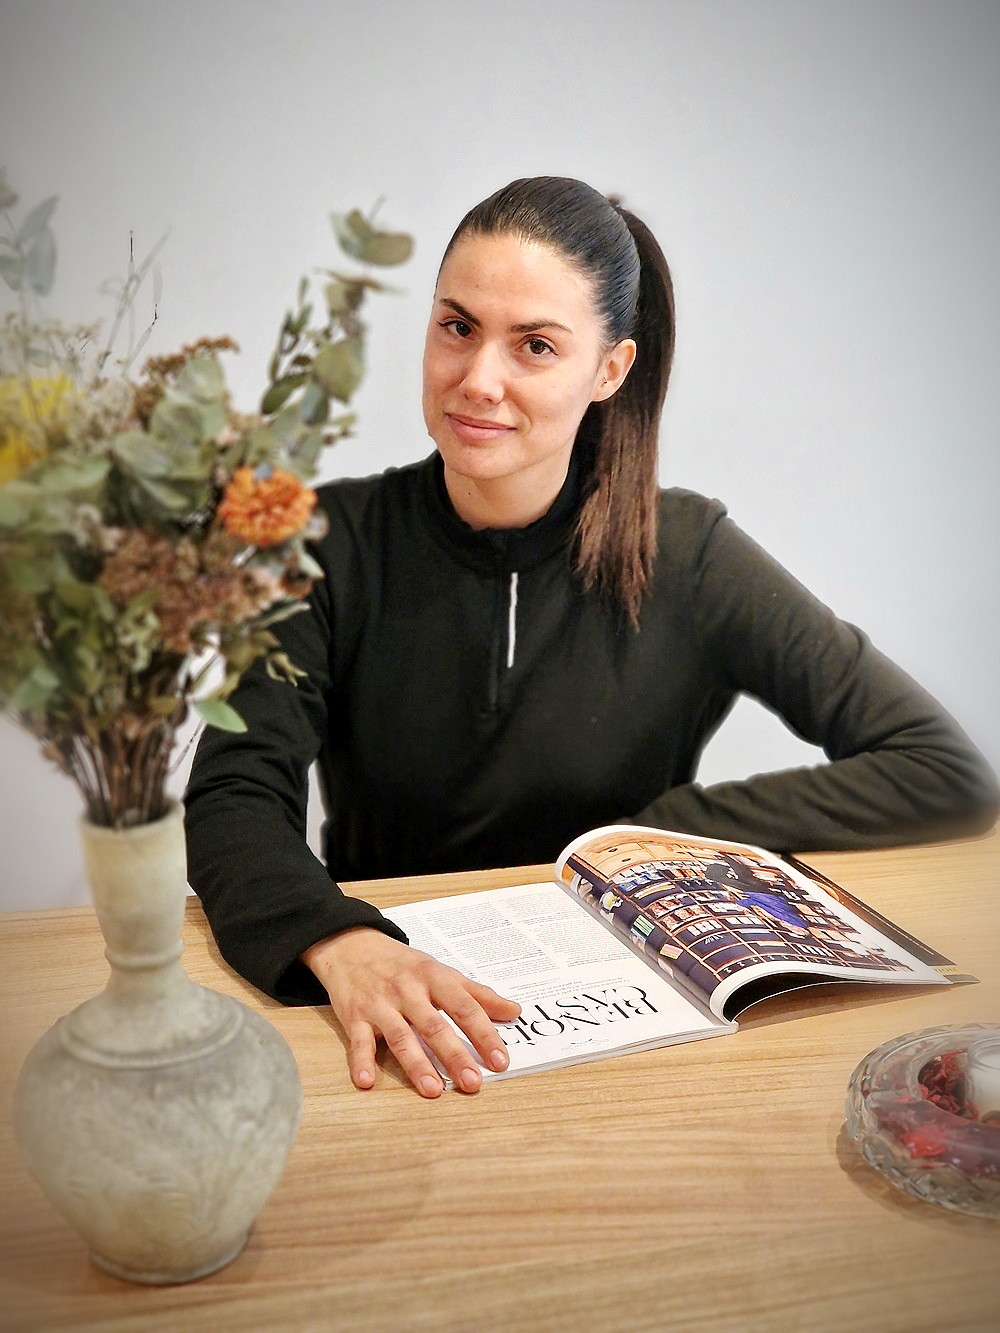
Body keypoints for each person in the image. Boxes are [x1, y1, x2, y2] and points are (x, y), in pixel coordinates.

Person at [185, 176, 998, 1101]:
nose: (478, 379)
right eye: (457, 327)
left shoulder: (687, 551)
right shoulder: (327, 544)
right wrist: (340, 940)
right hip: (400, 1022)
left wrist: (661, 835)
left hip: (637, 1034)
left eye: (534, 345)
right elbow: (232, 794)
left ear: (609, 371)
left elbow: (940, 767)